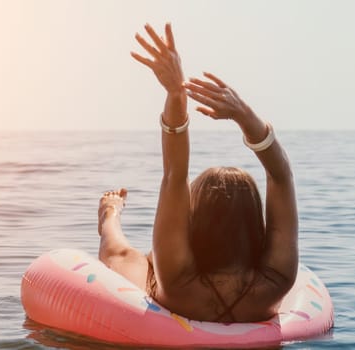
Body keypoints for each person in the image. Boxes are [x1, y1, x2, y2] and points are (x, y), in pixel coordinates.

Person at [97, 23, 298, 323]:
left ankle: (110, 213)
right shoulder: (277, 280)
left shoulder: (177, 278)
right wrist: (245, 116)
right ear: (255, 222)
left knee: (124, 257)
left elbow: (175, 175)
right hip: (247, 293)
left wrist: (177, 94)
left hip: (175, 294)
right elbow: (281, 176)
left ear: (196, 222)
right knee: (144, 260)